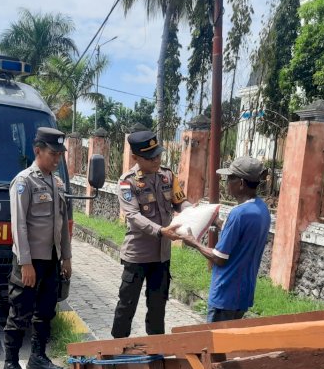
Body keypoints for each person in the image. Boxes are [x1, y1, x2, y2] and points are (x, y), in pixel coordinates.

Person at [2, 127, 71, 369]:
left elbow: (62, 224)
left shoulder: (57, 182)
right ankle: (10, 364)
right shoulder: (24, 182)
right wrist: (25, 262)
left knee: (45, 311)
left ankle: (38, 358)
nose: (57, 159)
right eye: (53, 154)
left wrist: (66, 257)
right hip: (29, 261)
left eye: (60, 155)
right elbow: (19, 226)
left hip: (51, 259)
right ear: (37, 150)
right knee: (20, 312)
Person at [111, 130, 191, 338]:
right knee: (126, 305)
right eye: (150, 157)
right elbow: (134, 215)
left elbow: (180, 201)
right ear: (136, 157)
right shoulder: (127, 182)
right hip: (137, 255)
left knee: (158, 307)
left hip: (162, 257)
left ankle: (156, 354)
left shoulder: (167, 175)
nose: (156, 160)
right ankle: (116, 351)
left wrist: (194, 212)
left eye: (158, 155)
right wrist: (161, 231)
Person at [179, 156, 271, 323]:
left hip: (225, 292)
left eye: (230, 179)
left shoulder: (239, 214)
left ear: (241, 183)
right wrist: (217, 221)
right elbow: (241, 236)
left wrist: (193, 242)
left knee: (215, 345)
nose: (226, 183)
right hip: (243, 292)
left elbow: (219, 258)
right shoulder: (261, 209)